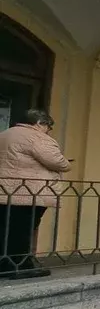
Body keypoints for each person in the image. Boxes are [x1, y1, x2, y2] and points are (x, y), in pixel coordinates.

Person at [0, 110, 71, 278]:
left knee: (5, 228)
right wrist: (67, 163)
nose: (48, 130)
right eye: (49, 126)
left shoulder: (5, 134)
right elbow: (57, 161)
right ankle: (22, 266)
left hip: (4, 191)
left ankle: (4, 264)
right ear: (39, 123)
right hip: (28, 193)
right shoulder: (37, 137)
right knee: (24, 230)